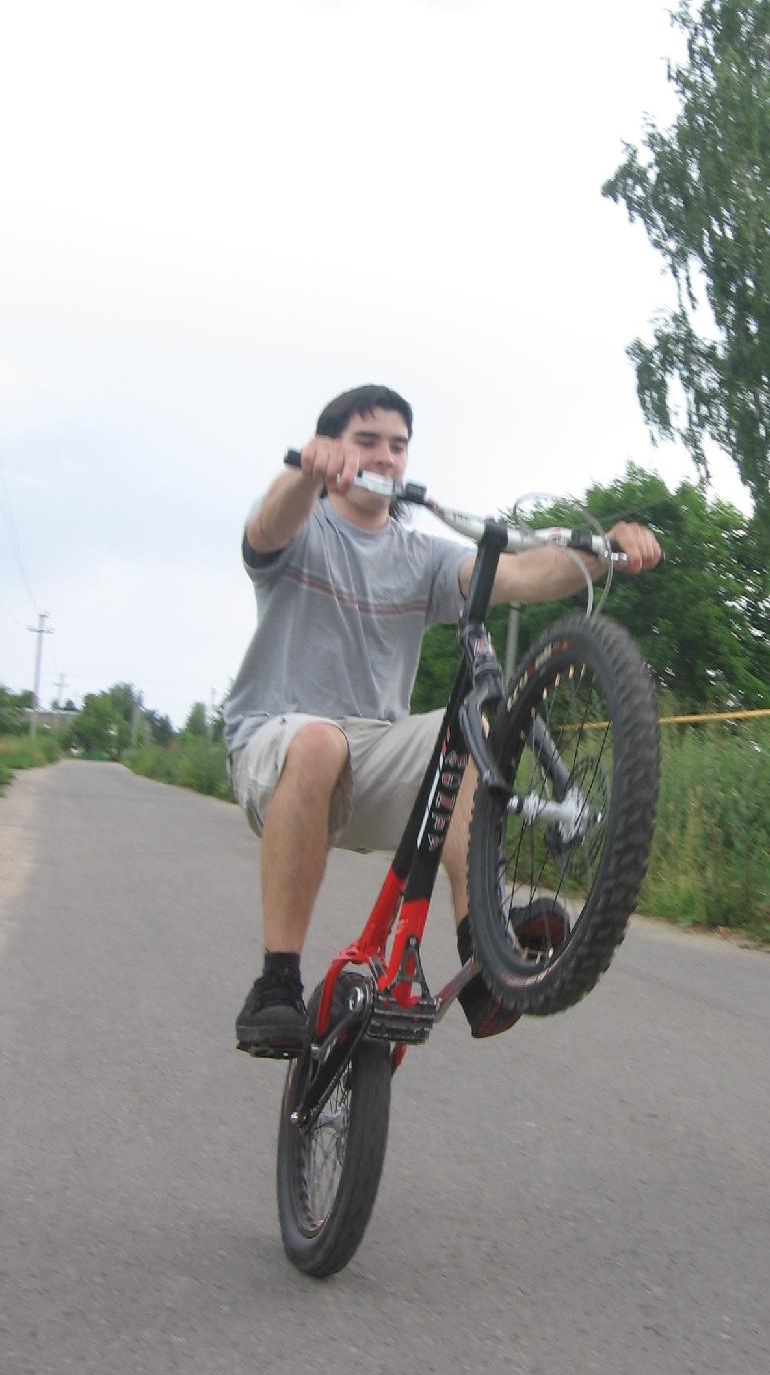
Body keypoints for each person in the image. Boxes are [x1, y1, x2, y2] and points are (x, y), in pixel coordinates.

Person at [224, 384, 662, 1056]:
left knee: (467, 731)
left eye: (398, 446)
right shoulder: (301, 526)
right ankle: (276, 984)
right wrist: (305, 472)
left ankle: (481, 952)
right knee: (319, 743)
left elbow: (520, 575)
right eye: (367, 441)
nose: (386, 457)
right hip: (278, 744)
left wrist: (605, 551)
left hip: (374, 753)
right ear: (331, 447)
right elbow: (266, 529)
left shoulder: (419, 555)